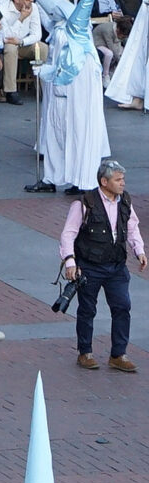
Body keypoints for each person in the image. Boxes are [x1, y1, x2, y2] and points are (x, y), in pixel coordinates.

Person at [3, 0, 111, 195]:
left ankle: (79, 180)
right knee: (55, 131)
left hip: (76, 93)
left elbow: (69, 65)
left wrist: (46, 71)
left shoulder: (72, 33)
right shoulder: (62, 30)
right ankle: (52, 177)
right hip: (61, 91)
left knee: (75, 133)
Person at [60, 156, 145, 371]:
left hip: (116, 266)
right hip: (90, 266)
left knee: (122, 307)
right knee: (87, 309)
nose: (122, 183)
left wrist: (139, 251)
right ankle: (85, 352)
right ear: (104, 182)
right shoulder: (84, 203)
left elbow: (132, 226)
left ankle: (118, 354)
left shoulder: (125, 200)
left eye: (123, 179)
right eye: (118, 180)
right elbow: (68, 234)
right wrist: (70, 262)